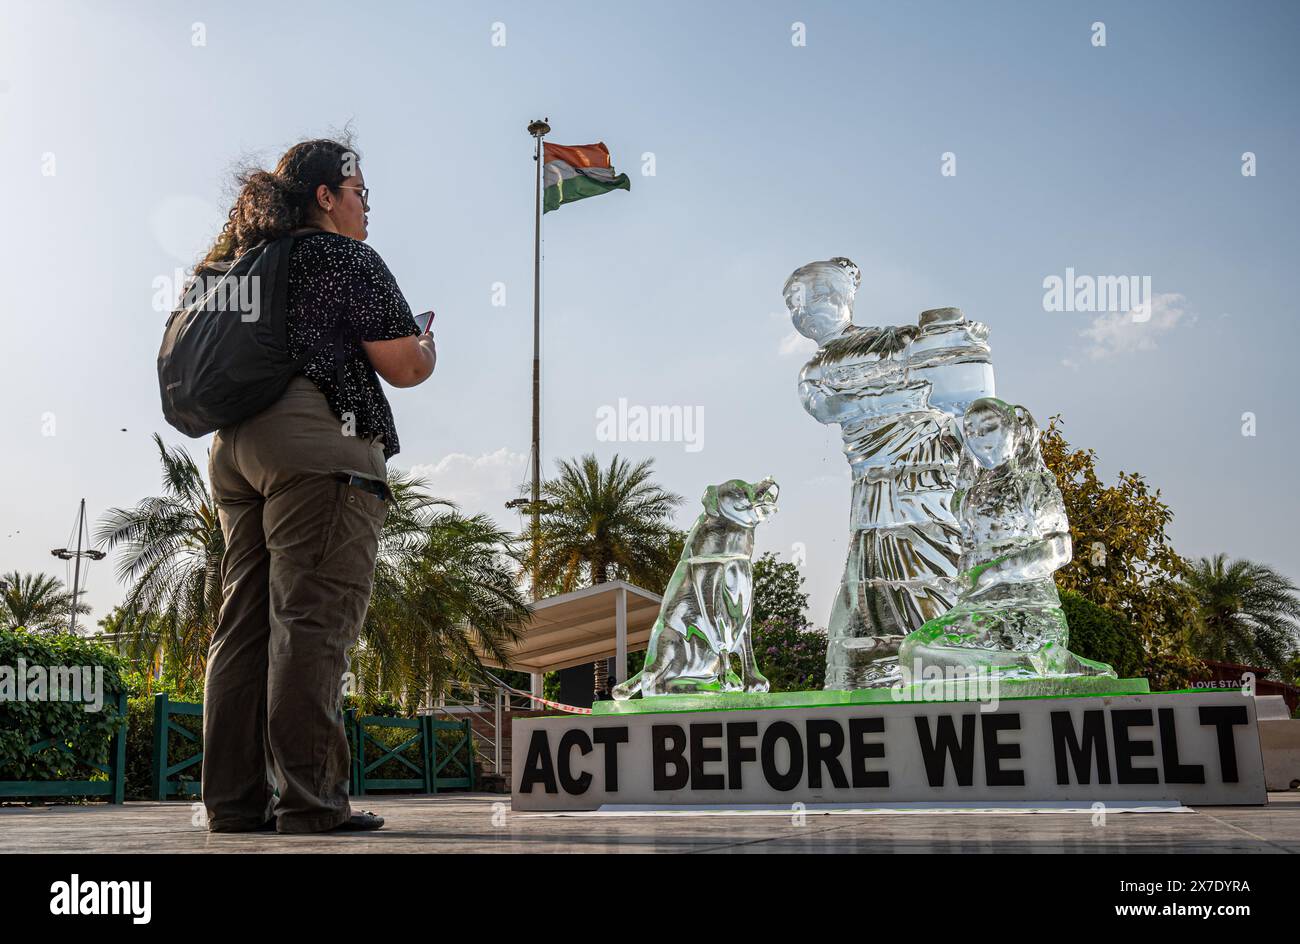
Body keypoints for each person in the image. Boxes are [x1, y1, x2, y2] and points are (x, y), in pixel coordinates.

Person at [197, 137, 435, 833]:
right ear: (326, 196)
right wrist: (425, 344)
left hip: (234, 449)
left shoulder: (240, 264)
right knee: (312, 623)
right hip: (317, 442)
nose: (366, 208)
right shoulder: (341, 256)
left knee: (241, 627)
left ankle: (234, 804)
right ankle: (313, 803)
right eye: (361, 193)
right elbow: (402, 368)